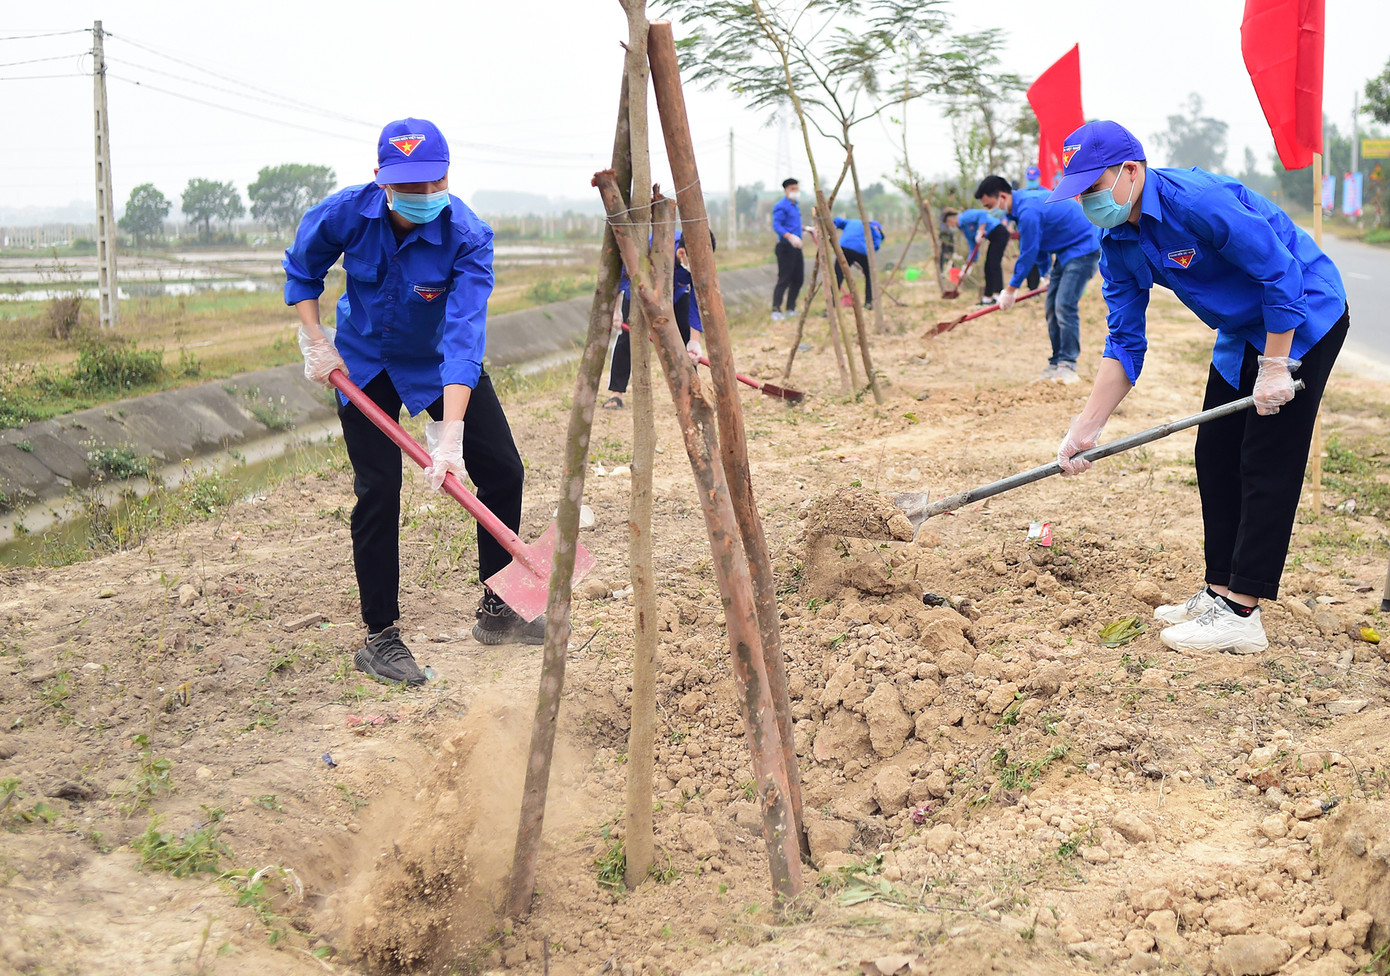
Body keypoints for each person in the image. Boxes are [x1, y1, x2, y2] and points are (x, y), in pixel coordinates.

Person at [1050, 120, 1348, 655]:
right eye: (1081, 193)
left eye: (1094, 188)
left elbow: (1281, 274)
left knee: (1265, 456)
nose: (1088, 202)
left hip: (1302, 315)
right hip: (1240, 328)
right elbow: (1124, 342)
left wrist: (1277, 367)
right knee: (1214, 452)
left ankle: (1242, 611)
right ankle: (1217, 592)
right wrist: (1086, 427)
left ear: (1131, 172)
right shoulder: (1117, 244)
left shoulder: (1197, 202)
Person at [284, 117, 546, 687]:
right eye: (408, 186)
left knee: (502, 469)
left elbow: (463, 336)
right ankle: (380, 635)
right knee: (378, 489)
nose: (423, 196)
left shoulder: (469, 236)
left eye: (432, 183)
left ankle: (499, 609)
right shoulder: (346, 214)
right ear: (381, 178)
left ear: (447, 175)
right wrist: (314, 337)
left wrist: (450, 434)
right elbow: (303, 267)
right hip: (363, 363)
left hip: (435, 364)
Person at [976, 174, 1101, 383]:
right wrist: (1045, 275)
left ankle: (1068, 365)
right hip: (1065, 252)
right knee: (1051, 307)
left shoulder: (1028, 211)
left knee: (1064, 305)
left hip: (1083, 248)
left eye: (990, 206)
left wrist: (1011, 289)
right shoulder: (1021, 206)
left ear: (1003, 197)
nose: (991, 212)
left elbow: (1029, 252)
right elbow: (1041, 245)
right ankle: (1055, 363)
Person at [603, 229, 710, 409]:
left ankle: (692, 392)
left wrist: (694, 341)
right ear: (682, 253)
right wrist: (615, 311)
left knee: (684, 337)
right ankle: (617, 393)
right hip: (639, 295)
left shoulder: (700, 258)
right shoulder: (650, 247)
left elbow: (696, 302)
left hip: (674, 296)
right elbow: (620, 276)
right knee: (627, 339)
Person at [942, 206, 1006, 305]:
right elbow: (973, 248)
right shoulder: (964, 229)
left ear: (950, 220)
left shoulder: (964, 217)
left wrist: (980, 230)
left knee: (994, 264)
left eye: (949, 224)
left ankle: (999, 295)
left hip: (999, 232)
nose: (952, 227)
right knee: (988, 267)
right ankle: (987, 298)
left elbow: (982, 214)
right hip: (993, 238)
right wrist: (967, 268)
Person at [830, 216, 884, 308]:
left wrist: (834, 224)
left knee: (837, 276)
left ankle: (831, 305)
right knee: (869, 276)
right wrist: (867, 264)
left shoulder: (853, 221)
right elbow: (876, 245)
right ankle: (868, 303)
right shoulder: (872, 229)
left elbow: (839, 221)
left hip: (843, 248)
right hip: (861, 251)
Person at [771, 178, 805, 320]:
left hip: (797, 246)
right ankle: (776, 309)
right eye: (792, 189)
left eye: (796, 189)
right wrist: (790, 236)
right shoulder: (781, 206)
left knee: (798, 278)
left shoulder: (794, 205)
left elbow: (794, 225)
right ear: (786, 190)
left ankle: (791, 308)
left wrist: (806, 229)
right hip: (786, 246)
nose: (795, 192)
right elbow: (777, 225)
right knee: (784, 278)